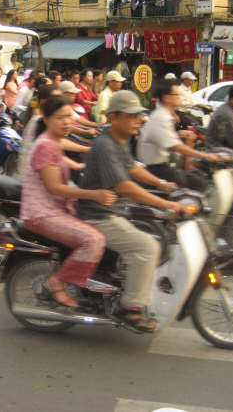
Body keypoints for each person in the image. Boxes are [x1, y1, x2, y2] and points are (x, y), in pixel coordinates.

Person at [78, 90, 191, 332]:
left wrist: (162, 185)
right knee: (146, 247)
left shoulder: (118, 141)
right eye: (131, 116)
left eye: (138, 116)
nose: (137, 120)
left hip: (113, 210)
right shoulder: (105, 145)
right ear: (114, 117)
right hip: (99, 215)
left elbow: (133, 169)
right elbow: (125, 186)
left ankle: (125, 289)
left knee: (153, 234)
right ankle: (129, 307)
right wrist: (167, 204)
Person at [21, 95, 117, 307]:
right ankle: (56, 282)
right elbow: (55, 187)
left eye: (68, 117)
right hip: (43, 214)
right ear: (46, 119)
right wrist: (94, 194)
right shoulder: (45, 146)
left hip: (57, 209)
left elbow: (71, 155)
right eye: (59, 118)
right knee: (94, 240)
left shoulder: (53, 141)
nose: (66, 122)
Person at [139, 80, 220, 190]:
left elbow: (168, 139)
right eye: (177, 94)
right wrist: (205, 156)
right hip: (156, 169)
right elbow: (175, 146)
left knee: (198, 176)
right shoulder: (161, 117)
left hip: (163, 166)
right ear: (167, 98)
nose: (180, 97)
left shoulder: (166, 115)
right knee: (198, 183)